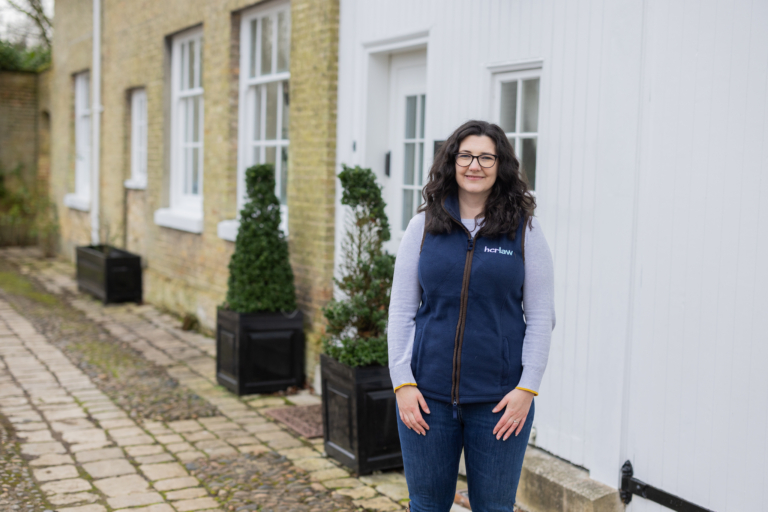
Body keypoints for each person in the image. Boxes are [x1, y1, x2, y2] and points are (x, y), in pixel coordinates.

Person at [387, 119, 555, 511]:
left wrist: (526, 389)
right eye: (465, 155)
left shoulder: (524, 230)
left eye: (485, 157)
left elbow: (542, 316)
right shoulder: (423, 227)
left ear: (501, 166)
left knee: (495, 507)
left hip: (499, 404)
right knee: (427, 505)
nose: (474, 165)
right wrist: (402, 383)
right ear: (452, 161)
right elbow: (401, 310)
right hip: (426, 398)